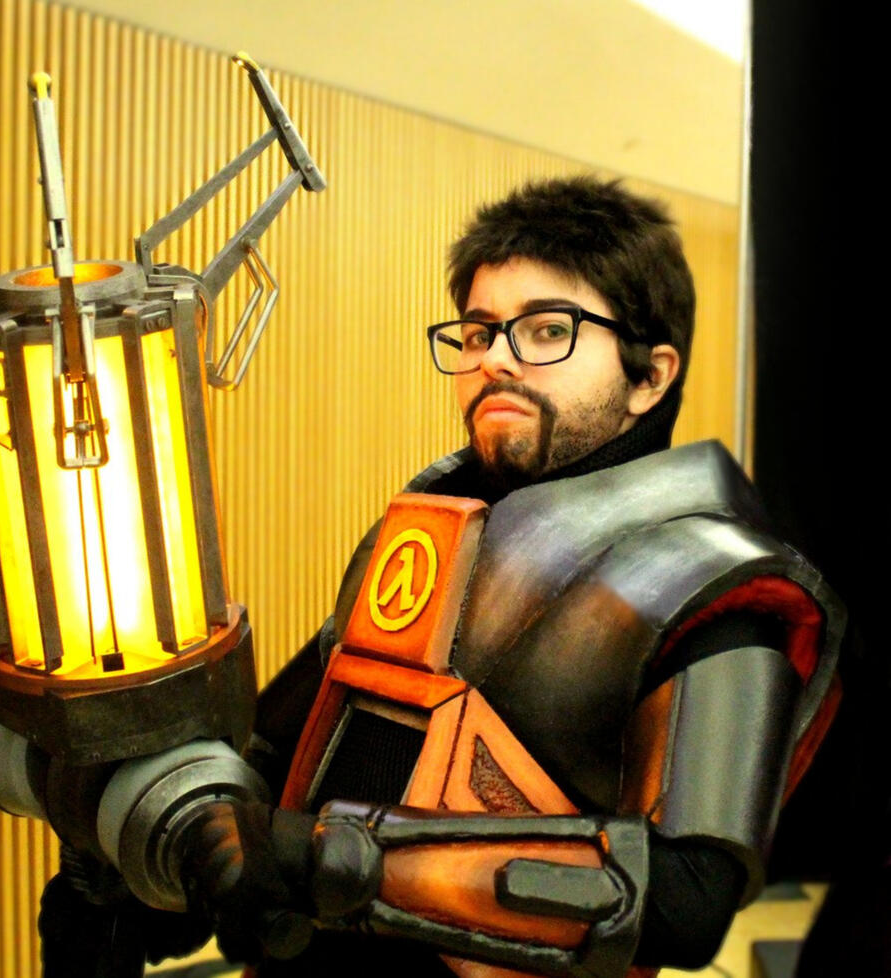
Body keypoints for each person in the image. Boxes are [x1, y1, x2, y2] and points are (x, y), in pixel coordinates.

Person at [180, 176, 842, 978]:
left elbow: (687, 897)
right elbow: (283, 738)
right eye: (478, 332)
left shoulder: (711, 585)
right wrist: (174, 857)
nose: (494, 358)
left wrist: (331, 858)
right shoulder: (428, 527)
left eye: (547, 329)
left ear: (650, 377)